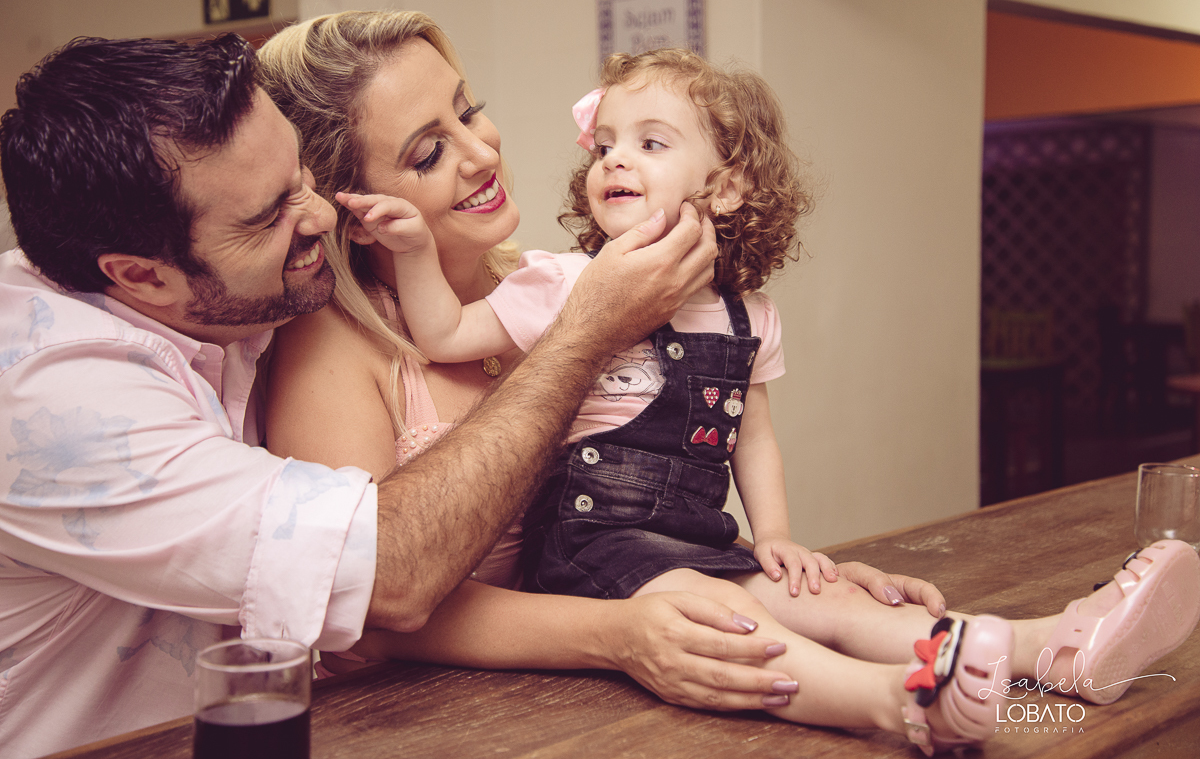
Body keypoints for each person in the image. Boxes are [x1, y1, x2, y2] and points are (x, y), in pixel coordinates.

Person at [334, 45, 1200, 754]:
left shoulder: (748, 314)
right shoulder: (559, 280)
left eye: (651, 143)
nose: (616, 160)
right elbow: (443, 333)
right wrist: (413, 253)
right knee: (734, 621)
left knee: (835, 602)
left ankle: (1054, 645)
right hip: (595, 541)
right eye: (606, 147)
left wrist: (779, 539)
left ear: (725, 187)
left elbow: (752, 437)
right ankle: (898, 699)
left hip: (700, 532)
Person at [0, 32, 773, 759]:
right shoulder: (56, 402)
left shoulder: (257, 305)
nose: (322, 214)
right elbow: (383, 583)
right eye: (270, 214)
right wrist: (585, 334)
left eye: (302, 178)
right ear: (141, 276)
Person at [256, 9, 958, 719]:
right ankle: (905, 705)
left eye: (469, 112)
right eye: (429, 152)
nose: (482, 152)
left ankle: (990, 672)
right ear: (354, 210)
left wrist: (788, 580)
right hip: (417, 719)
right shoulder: (336, 343)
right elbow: (367, 607)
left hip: (583, 696)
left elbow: (635, 506)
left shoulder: (540, 284)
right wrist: (621, 631)